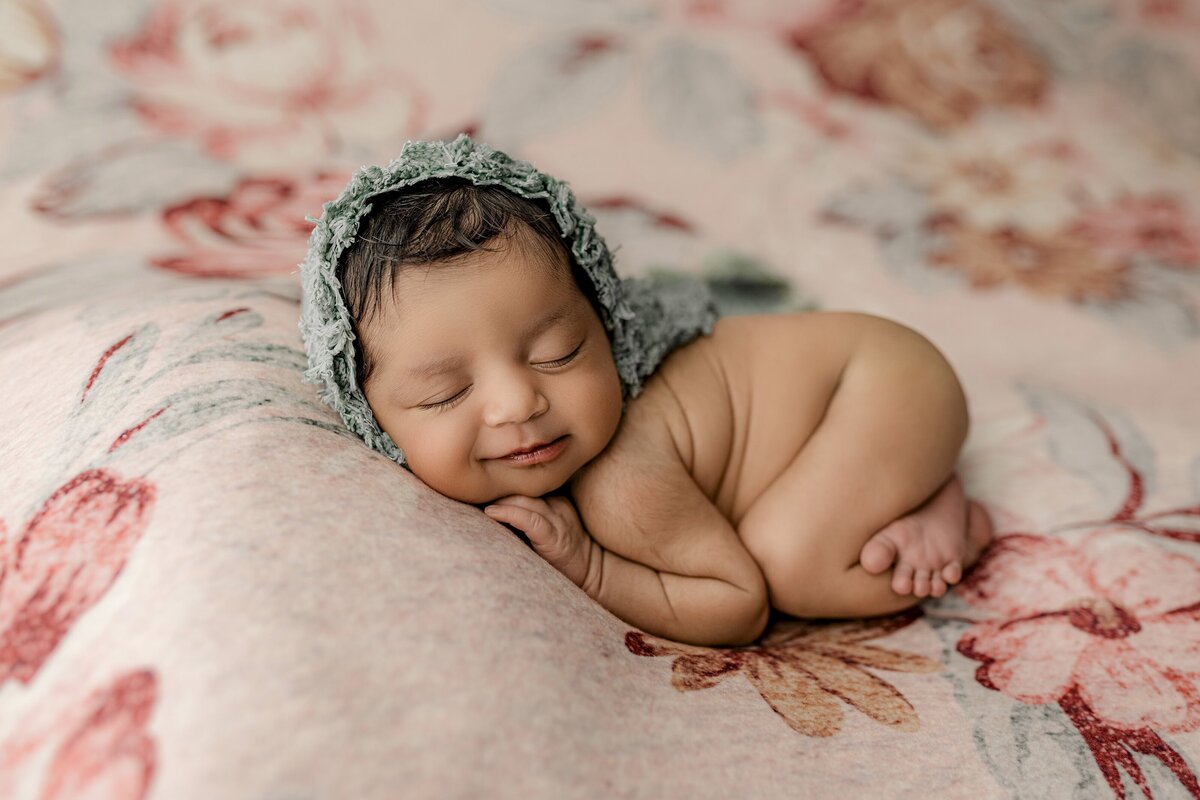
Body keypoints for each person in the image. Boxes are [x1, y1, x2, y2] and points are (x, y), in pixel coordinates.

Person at [304, 140, 993, 647]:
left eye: (560, 353)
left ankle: (950, 513)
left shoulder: (619, 481)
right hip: (858, 383)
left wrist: (591, 565)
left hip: (882, 383)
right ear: (371, 419)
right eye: (444, 393)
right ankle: (911, 474)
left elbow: (738, 603)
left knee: (792, 563)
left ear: (606, 319)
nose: (518, 403)